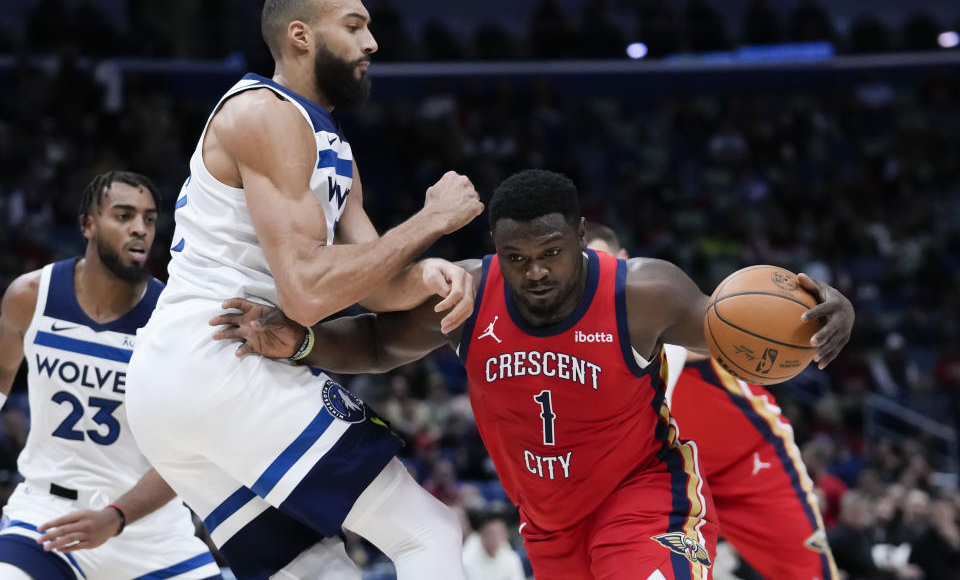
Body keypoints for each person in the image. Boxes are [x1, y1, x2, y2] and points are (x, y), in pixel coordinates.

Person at [212, 169, 855, 579]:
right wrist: (302, 343)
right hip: (548, 522)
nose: (536, 272)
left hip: (643, 497)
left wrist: (827, 311)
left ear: (580, 235)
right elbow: (380, 344)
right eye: (517, 258)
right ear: (496, 248)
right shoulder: (466, 294)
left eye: (551, 252)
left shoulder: (644, 293)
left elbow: (736, 332)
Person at [125, 0, 484, 580]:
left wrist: (428, 274)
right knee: (432, 532)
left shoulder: (327, 140)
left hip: (177, 384)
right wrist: (430, 220)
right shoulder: (266, 113)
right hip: (222, 359)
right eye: (354, 26)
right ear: (300, 35)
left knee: (314, 569)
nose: (372, 43)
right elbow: (308, 291)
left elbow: (374, 284)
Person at [585, 223, 841, 580]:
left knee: (808, 574)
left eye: (600, 261)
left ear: (625, 261)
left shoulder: (660, 308)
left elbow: (744, 324)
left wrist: (823, 307)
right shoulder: (566, 336)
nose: (592, 275)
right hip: (664, 474)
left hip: (748, 460)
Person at [0, 171, 221, 580]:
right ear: (87, 225)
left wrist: (115, 517)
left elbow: (193, 455)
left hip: (148, 527)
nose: (140, 228)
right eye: (123, 216)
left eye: (149, 219)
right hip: (47, 515)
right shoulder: (32, 296)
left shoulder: (173, 320)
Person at [461, 516, 525, 580]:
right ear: (482, 535)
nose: (495, 538)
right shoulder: (467, 560)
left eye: (499, 533)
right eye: (491, 534)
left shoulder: (511, 558)